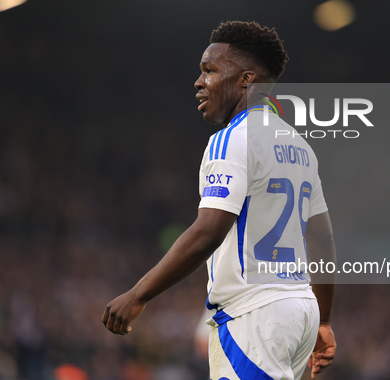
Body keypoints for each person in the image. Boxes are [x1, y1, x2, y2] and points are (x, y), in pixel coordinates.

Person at [102, 21, 336, 380]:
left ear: (245, 79)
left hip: (254, 316)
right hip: (299, 309)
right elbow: (322, 241)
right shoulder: (300, 146)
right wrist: (325, 319)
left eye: (209, 71)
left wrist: (138, 294)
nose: (198, 82)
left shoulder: (233, 139)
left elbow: (208, 232)